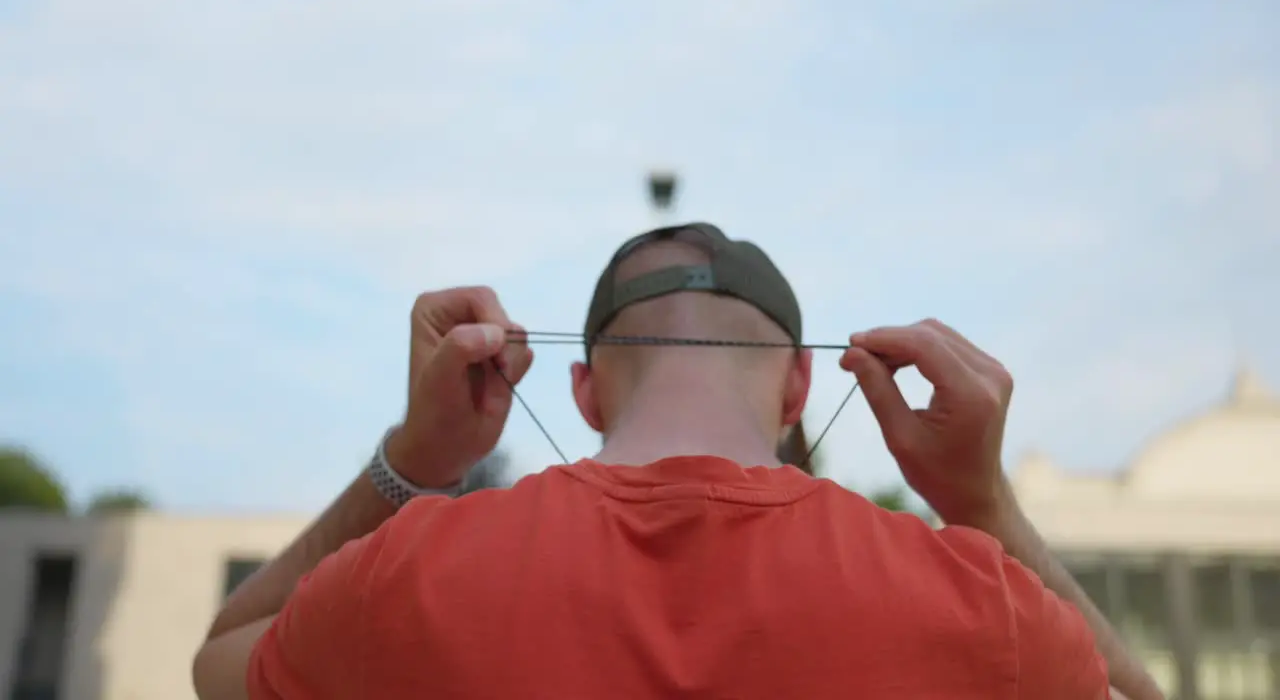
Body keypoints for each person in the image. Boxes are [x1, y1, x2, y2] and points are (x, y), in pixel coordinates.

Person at [192, 223, 1164, 699]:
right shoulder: (976, 606)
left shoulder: (407, 576)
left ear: (582, 392)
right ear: (796, 390)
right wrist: (982, 504)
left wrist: (414, 457)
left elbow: (219, 660)